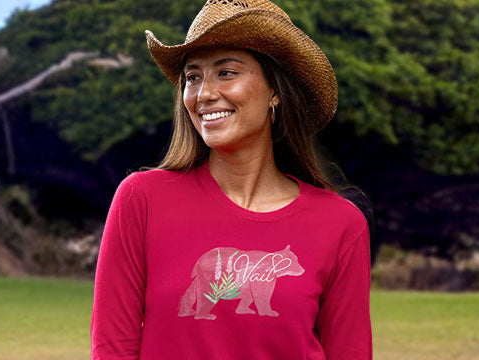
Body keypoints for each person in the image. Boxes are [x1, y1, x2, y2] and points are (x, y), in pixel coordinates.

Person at [89, 0, 371, 359]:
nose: (204, 93)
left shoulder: (341, 224)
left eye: (226, 72)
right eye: (193, 77)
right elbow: (112, 348)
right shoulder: (141, 199)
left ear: (275, 92)